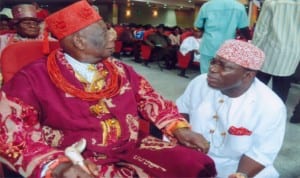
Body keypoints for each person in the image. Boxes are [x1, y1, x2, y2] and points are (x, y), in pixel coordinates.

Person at [0, 1, 216, 177]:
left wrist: (178, 128)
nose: (113, 35)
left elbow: (151, 99)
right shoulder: (32, 78)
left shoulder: (120, 70)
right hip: (77, 161)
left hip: (131, 149)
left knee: (197, 164)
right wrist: (58, 167)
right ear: (80, 41)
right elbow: (10, 135)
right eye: (105, 31)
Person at [176, 39, 286, 178]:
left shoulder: (271, 106)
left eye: (224, 66)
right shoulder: (199, 83)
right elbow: (181, 111)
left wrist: (240, 175)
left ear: (248, 75)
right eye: (214, 62)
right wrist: (182, 131)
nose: (212, 69)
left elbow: (261, 152)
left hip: (237, 164)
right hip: (193, 152)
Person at [252, 0, 300, 103]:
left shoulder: (272, 2)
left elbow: (261, 30)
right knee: (281, 91)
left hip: (270, 51)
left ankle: (253, 113)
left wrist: (253, 49)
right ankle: (276, 116)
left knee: (258, 88)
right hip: (292, 54)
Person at [194, 0, 251, 74]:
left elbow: (199, 26)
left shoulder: (207, 6)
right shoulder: (239, 7)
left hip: (208, 46)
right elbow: (244, 28)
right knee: (224, 73)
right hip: (227, 48)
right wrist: (250, 39)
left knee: (205, 74)